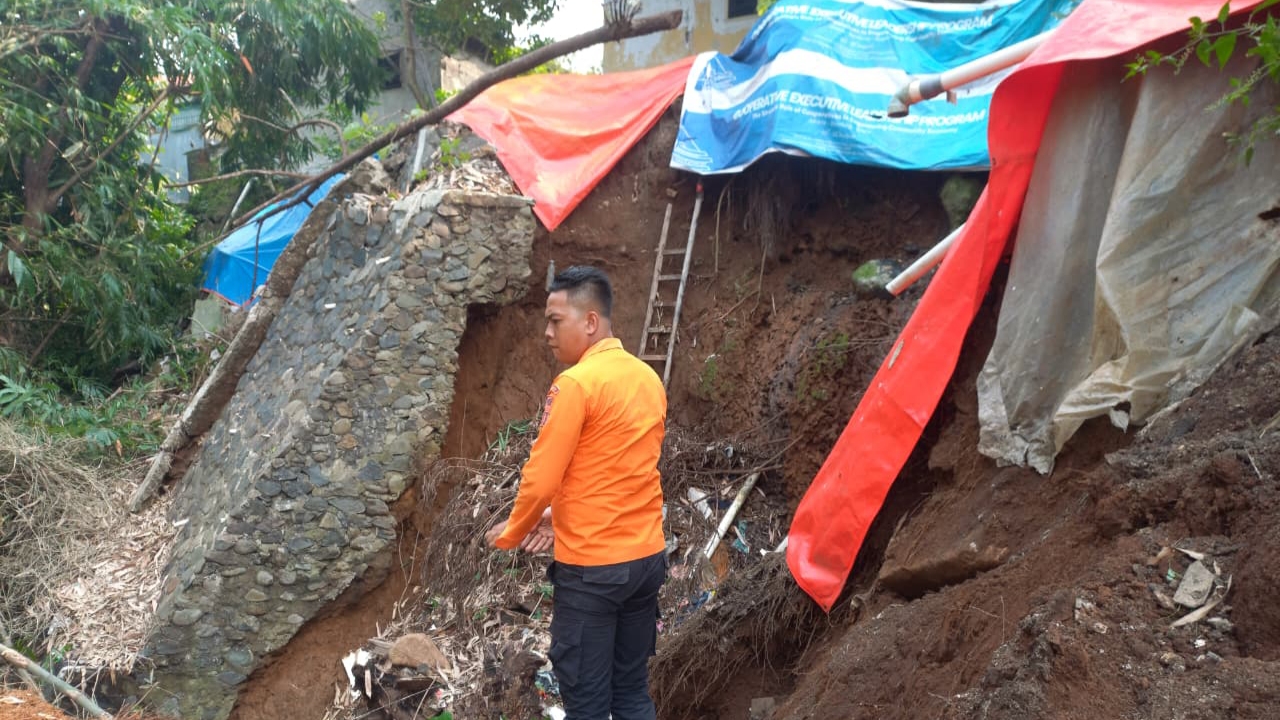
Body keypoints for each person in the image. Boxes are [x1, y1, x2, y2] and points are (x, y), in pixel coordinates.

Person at [485, 265, 668, 720]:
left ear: (590, 321)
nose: (547, 333)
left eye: (555, 320)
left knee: (587, 706)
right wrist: (556, 517)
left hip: (594, 573)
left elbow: (541, 478)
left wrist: (513, 532)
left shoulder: (576, 384)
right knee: (631, 693)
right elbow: (620, 473)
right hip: (647, 560)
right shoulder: (647, 378)